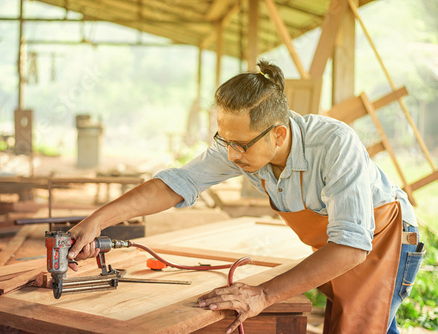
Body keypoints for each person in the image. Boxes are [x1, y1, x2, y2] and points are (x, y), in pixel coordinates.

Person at [67, 60, 424, 334]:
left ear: (279, 135)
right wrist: (96, 221)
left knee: (362, 325)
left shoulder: (334, 143)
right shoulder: (240, 143)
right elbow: (178, 182)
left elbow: (350, 247)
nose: (231, 154)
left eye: (240, 145)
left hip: (384, 241)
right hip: (341, 245)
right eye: (225, 141)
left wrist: (264, 294)